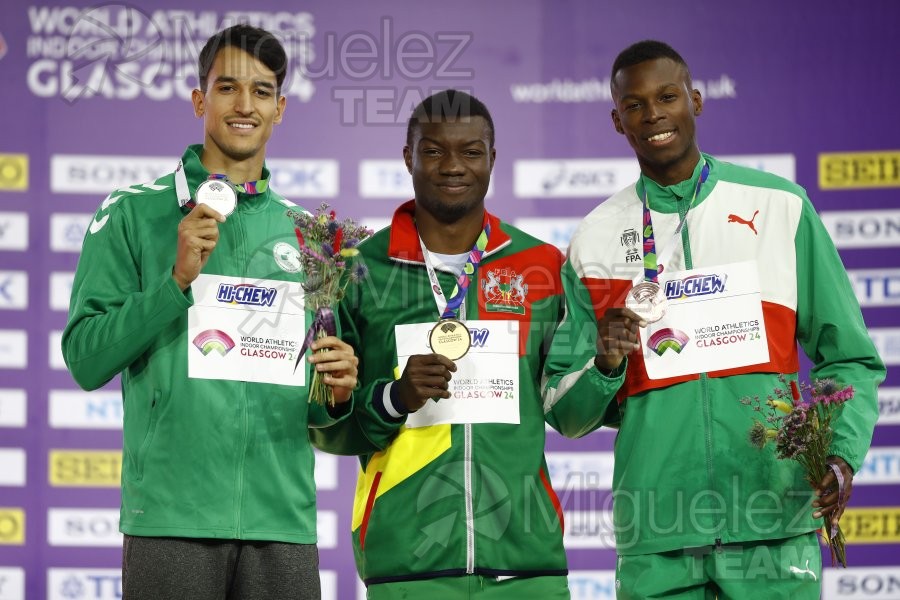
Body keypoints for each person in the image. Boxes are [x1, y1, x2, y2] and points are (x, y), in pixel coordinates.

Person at [566, 40, 886, 598]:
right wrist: (605, 363)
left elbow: (852, 357)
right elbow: (565, 411)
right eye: (635, 105)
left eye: (667, 97)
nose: (654, 115)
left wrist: (839, 454)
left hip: (773, 518)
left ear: (695, 100)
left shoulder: (779, 206)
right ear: (617, 121)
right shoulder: (592, 237)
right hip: (658, 533)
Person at [61, 24, 358, 600]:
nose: (245, 105)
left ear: (281, 109)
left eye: (262, 91)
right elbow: (85, 358)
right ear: (201, 100)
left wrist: (338, 391)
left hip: (283, 525)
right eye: (228, 88)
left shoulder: (318, 235)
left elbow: (322, 410)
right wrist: (174, 282)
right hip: (171, 521)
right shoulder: (132, 214)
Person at [311, 89, 618, 599]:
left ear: (493, 159)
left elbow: (569, 415)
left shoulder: (540, 266)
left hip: (528, 566)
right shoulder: (356, 270)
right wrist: (394, 397)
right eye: (433, 151)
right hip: (408, 564)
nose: (453, 165)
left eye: (471, 151)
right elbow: (327, 427)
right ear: (408, 157)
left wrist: (606, 366)